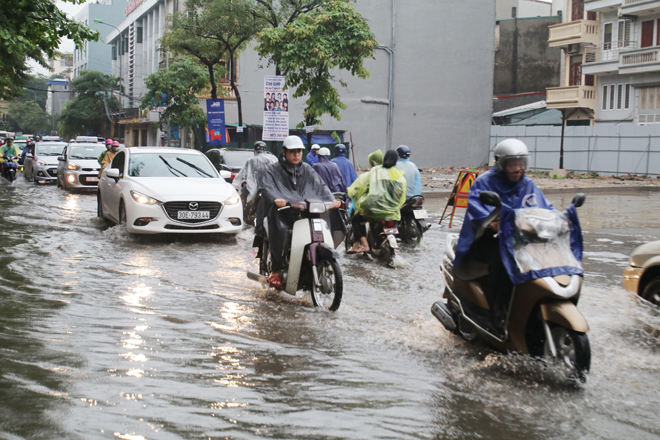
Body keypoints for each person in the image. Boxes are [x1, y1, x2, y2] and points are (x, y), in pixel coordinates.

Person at [453, 138, 552, 332]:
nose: (517, 169)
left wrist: (562, 221)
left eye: (521, 164)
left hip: (520, 241)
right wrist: (495, 225)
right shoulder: (484, 183)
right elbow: (478, 215)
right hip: (486, 242)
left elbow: (546, 209)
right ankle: (498, 314)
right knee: (503, 264)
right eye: (512, 164)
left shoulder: (528, 185)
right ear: (500, 163)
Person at [256, 135, 342, 287]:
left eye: (299, 151)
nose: (296, 155)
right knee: (281, 229)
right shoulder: (273, 170)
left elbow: (321, 187)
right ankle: (276, 269)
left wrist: (331, 200)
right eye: (292, 151)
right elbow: (266, 187)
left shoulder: (308, 170)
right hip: (283, 212)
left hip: (304, 212)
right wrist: (277, 199)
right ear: (284, 152)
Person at [347, 149, 406, 253]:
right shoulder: (399, 176)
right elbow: (401, 198)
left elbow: (360, 188)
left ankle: (365, 245)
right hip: (393, 213)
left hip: (374, 212)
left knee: (356, 219)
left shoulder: (375, 172)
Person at [232, 140, 278, 222]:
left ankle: (244, 218)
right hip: (268, 189)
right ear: (265, 151)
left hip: (252, 188)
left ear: (255, 151)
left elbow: (240, 176)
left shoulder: (250, 161)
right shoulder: (271, 161)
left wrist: (234, 186)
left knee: (242, 197)